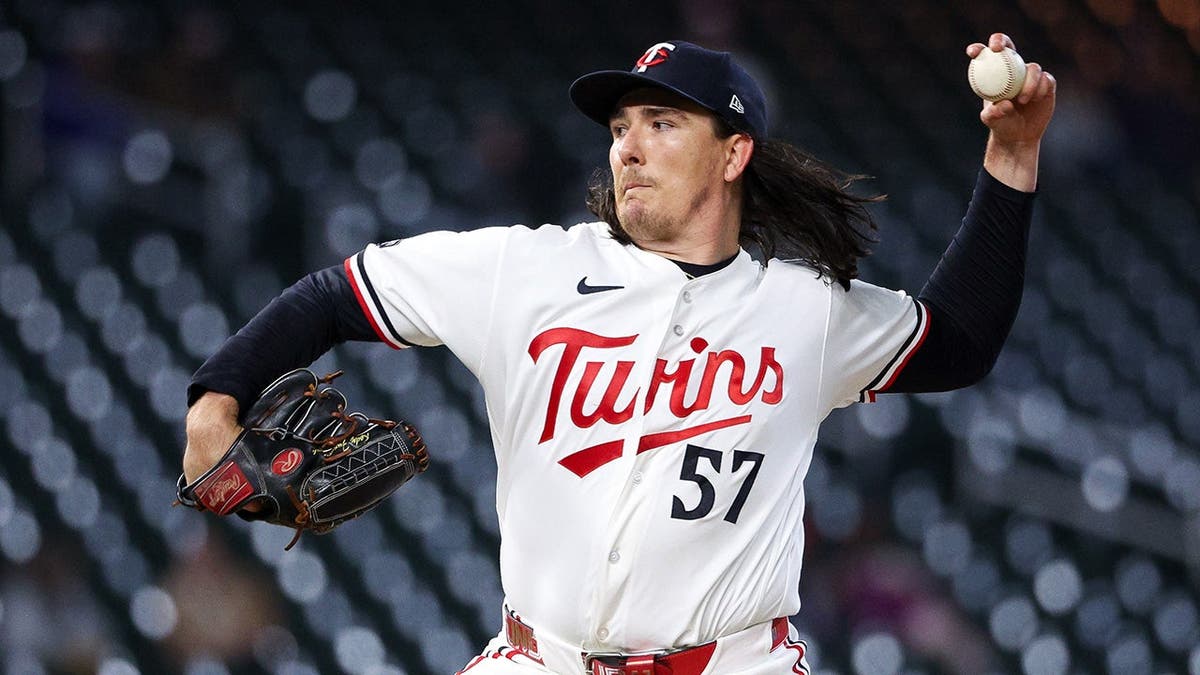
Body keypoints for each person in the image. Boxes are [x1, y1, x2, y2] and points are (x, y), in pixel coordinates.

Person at [182, 34, 1055, 675]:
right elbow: (337, 292)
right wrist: (216, 398)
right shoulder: (525, 270)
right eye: (620, 126)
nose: (627, 147)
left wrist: (1011, 155)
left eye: (661, 123)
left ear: (734, 153)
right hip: (539, 657)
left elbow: (960, 340)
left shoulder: (803, 311)